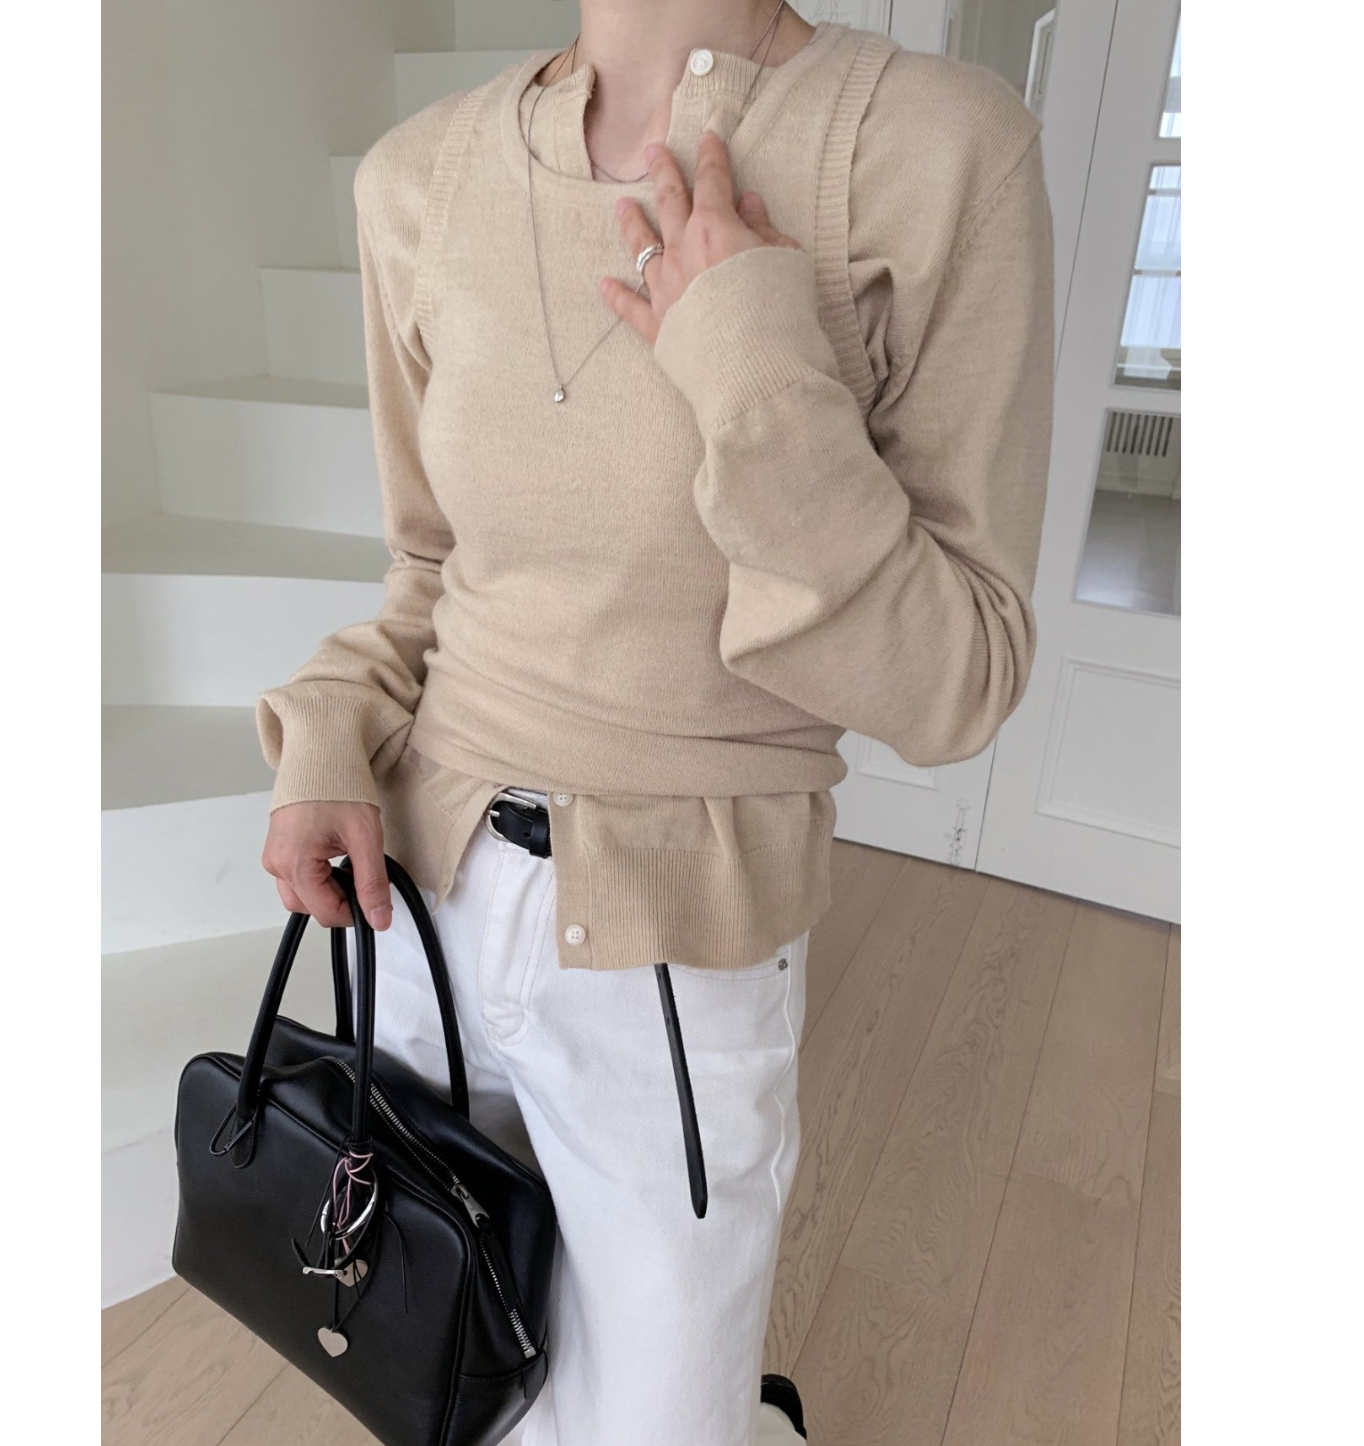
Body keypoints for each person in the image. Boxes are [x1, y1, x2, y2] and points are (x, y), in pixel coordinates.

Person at [256, 2, 1054, 1441]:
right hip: (418, 904)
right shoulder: (416, 177)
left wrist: (752, 361)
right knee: (443, 1375)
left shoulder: (937, 150)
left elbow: (960, 680)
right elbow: (432, 566)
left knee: (660, 1421)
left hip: (676, 942)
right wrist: (328, 730)